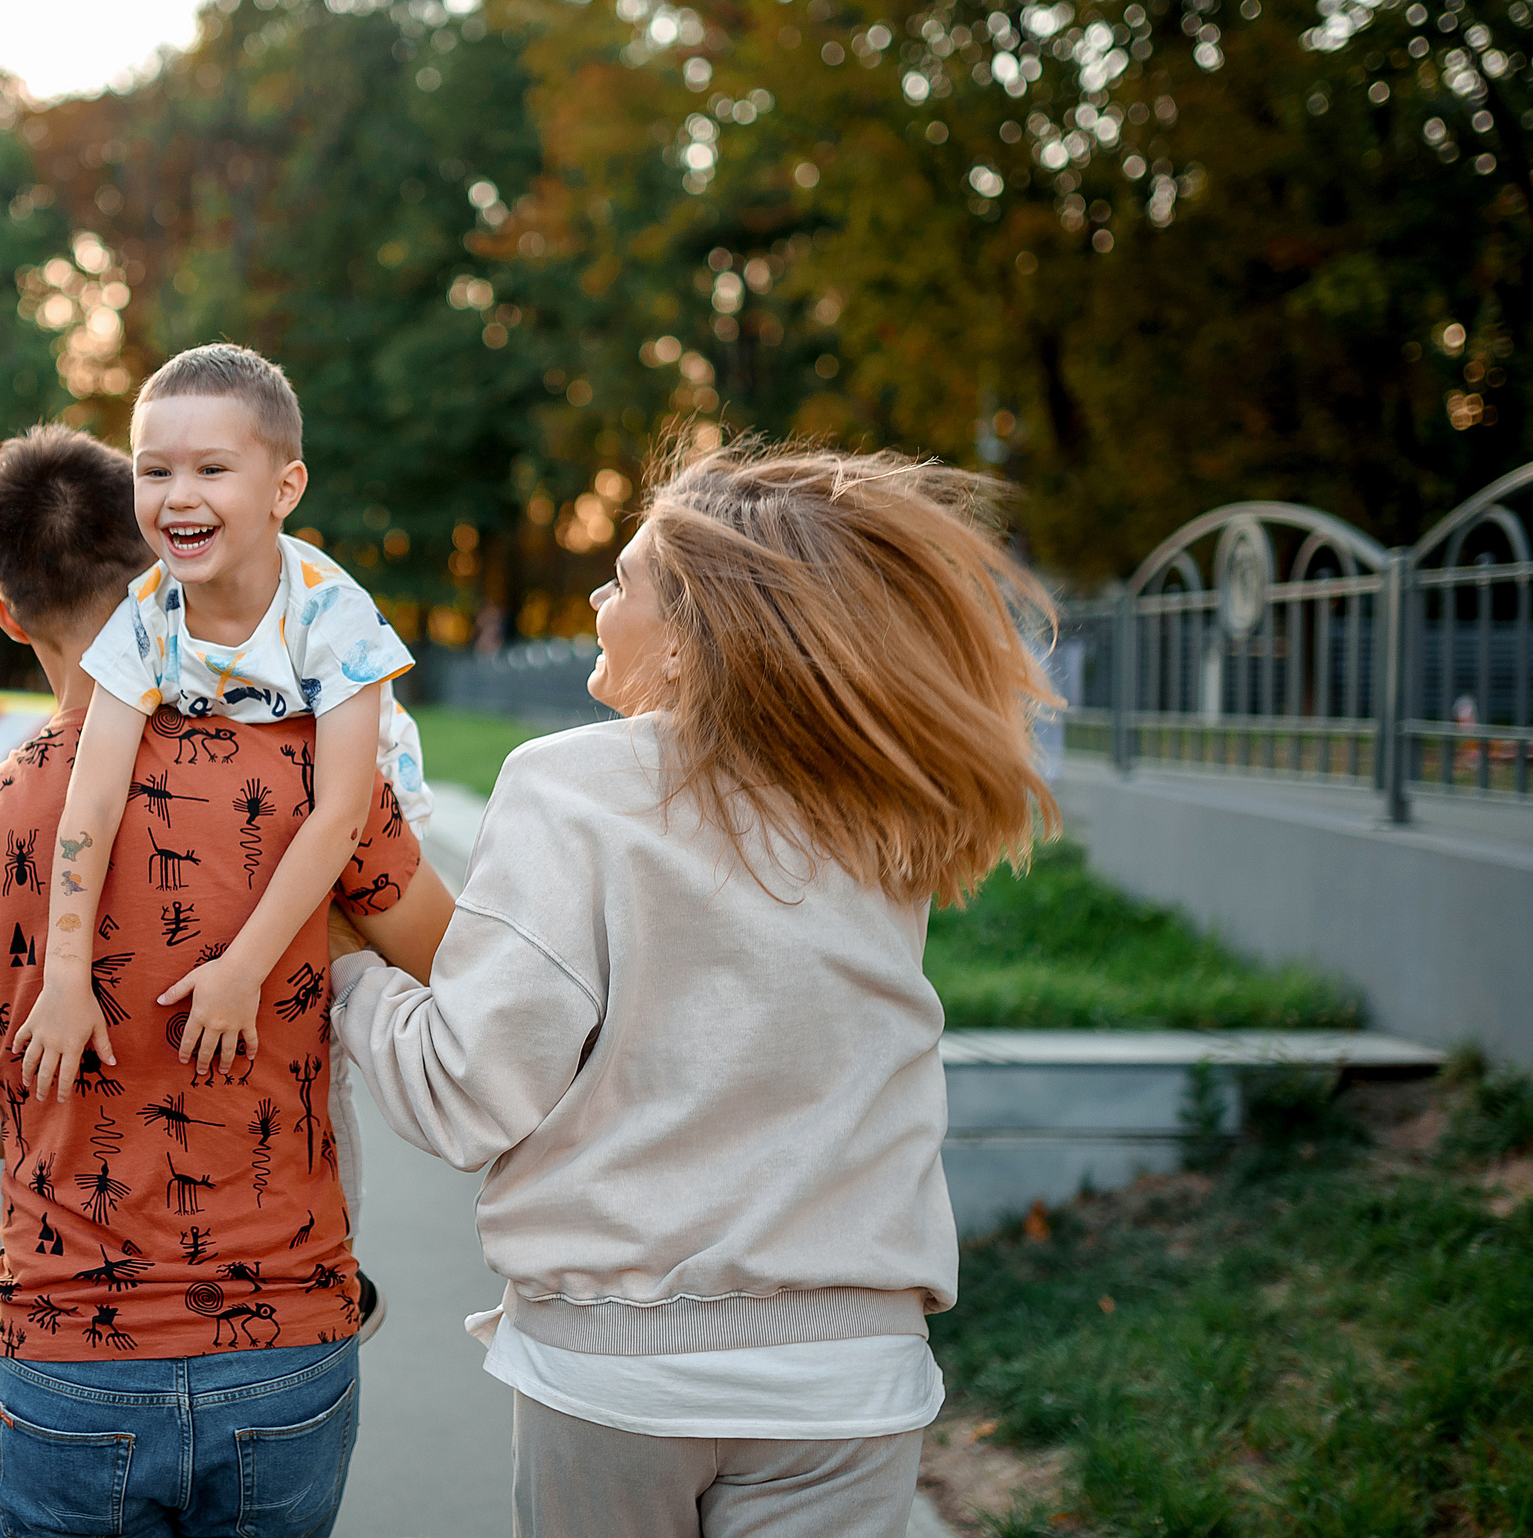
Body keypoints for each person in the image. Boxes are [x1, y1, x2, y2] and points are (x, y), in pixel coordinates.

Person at [329, 441, 1059, 1538]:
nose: (594, 596)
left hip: (623, 1375)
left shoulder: (569, 785)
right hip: (852, 1376)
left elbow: (465, 1094)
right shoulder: (877, 800)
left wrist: (346, 974)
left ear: (691, 632)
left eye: (622, 579)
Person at [0, 423, 454, 1538]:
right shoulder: (309, 778)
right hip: (284, 1349)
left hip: (63, 1361)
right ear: (162, 563)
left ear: (7, 612)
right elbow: (469, 977)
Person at [11, 344, 430, 1108]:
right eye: (155, 470)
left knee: (358, 1001)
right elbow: (91, 802)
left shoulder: (331, 614)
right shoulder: (144, 617)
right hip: (244, 828)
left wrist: (244, 969)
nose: (178, 497)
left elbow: (343, 812)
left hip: (361, 833)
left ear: (284, 488)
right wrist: (65, 974)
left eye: (211, 470)